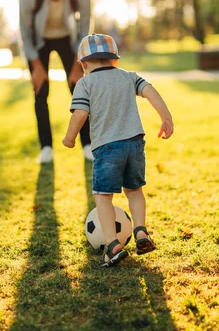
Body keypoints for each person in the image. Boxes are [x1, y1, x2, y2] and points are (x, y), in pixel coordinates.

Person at [62, 34, 174, 267]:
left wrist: (70, 138)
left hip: (107, 147)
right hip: (135, 144)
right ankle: (141, 232)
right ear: (115, 60)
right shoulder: (128, 76)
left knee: (103, 196)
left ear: (83, 64)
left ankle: (112, 245)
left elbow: (80, 114)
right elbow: (150, 91)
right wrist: (166, 118)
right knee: (134, 191)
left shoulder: (85, 83)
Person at [19, 0, 93, 164]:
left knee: (79, 91)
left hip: (68, 40)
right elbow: (24, 32)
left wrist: (79, 65)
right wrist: (36, 66)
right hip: (39, 41)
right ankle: (46, 148)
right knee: (40, 92)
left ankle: (88, 145)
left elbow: (85, 29)